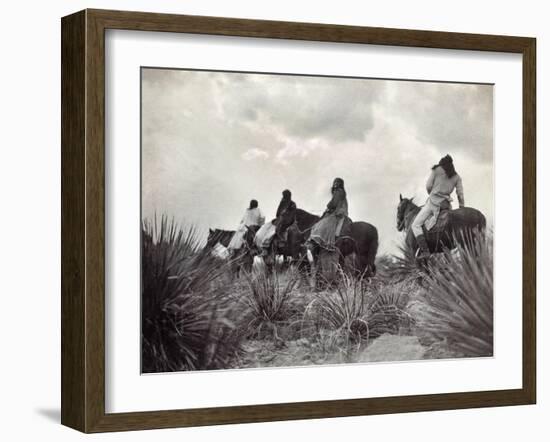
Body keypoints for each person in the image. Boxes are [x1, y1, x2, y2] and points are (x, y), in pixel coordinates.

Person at [412, 154, 465, 260]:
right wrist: (461, 207)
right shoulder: (457, 177)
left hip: (433, 203)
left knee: (416, 225)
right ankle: (448, 257)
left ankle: (425, 251)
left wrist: (432, 193)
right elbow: (460, 194)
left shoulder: (436, 170)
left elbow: (428, 186)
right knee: (449, 229)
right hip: (446, 204)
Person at [308, 177, 349, 250]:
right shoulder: (341, 191)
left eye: (337, 183)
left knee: (325, 222)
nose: (335, 184)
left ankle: (325, 241)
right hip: (340, 210)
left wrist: (328, 207)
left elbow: (334, 203)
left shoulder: (338, 191)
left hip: (339, 211)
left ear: (340, 184)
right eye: (334, 183)